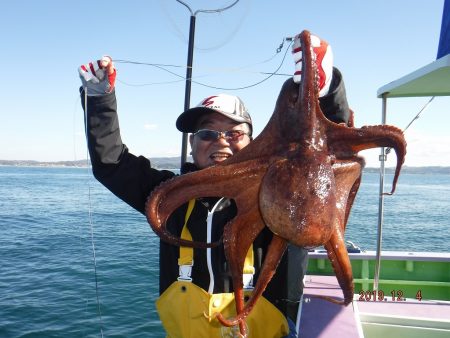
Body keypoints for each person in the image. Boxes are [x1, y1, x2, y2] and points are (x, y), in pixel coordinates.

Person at [79, 32, 350, 337]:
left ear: (254, 142)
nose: (220, 141)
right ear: (193, 144)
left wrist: (322, 91)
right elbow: (111, 164)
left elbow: (324, 158)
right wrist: (100, 98)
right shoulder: (171, 196)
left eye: (234, 134)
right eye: (207, 134)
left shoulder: (280, 192)